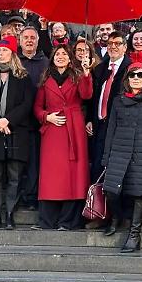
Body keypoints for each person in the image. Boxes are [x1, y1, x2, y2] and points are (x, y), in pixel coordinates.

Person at [102, 62, 142, 253]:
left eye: (140, 75)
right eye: (132, 75)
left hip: (141, 152)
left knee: (139, 194)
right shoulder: (118, 101)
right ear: (127, 79)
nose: (136, 78)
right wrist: (106, 157)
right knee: (112, 191)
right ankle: (117, 217)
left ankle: (134, 235)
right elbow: (110, 128)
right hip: (119, 151)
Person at [33, 44, 93, 230]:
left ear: (70, 58)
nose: (60, 57)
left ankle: (68, 221)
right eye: (57, 54)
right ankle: (47, 221)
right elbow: (37, 107)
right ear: (52, 58)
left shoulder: (78, 75)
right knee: (52, 176)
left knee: (73, 175)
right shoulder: (45, 79)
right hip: (52, 130)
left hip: (73, 128)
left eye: (64, 54)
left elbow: (86, 94)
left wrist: (86, 73)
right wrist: (46, 117)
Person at [0, 36, 35, 230]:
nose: (0, 54)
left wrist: (7, 120)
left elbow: (27, 103)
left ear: (12, 53)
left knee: (14, 176)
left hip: (16, 131)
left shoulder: (23, 76)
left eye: (4, 50)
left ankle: (10, 213)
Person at [87, 31, 131, 205]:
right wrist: (90, 119)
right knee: (97, 167)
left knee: (115, 172)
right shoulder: (100, 68)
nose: (113, 47)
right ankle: (98, 211)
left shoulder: (131, 69)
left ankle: (116, 215)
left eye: (118, 43)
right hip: (99, 125)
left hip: (119, 127)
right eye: (110, 43)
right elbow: (92, 97)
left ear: (125, 47)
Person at [18, 25, 49, 209]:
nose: (29, 40)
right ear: (20, 41)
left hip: (39, 121)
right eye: (26, 37)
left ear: (38, 41)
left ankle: (32, 196)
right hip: (17, 121)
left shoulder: (46, 63)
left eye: (32, 38)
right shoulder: (15, 61)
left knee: (35, 162)